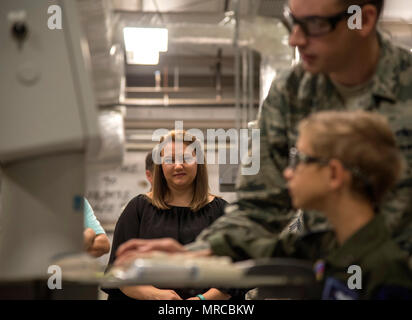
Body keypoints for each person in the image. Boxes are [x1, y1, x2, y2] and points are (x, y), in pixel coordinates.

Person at [114, 0, 412, 264]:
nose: (296, 39)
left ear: (364, 19)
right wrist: (200, 251)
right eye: (292, 22)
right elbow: (261, 206)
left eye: (316, 25)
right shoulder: (292, 92)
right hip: (328, 277)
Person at [104, 130, 243, 300]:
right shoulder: (138, 208)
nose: (178, 166)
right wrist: (156, 296)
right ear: (160, 166)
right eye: (170, 160)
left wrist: (203, 300)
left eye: (186, 158)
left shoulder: (221, 211)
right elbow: (117, 272)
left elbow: (236, 273)